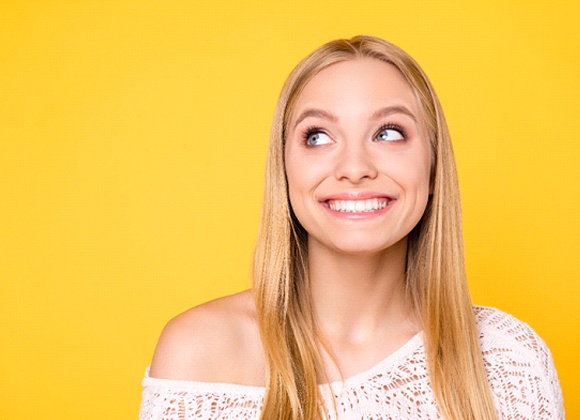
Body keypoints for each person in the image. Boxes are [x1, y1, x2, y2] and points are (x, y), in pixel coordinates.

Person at [139, 35, 564, 419]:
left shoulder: (509, 360)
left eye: (389, 133)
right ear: (284, 170)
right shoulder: (200, 354)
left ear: (433, 170)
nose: (355, 168)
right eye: (318, 136)